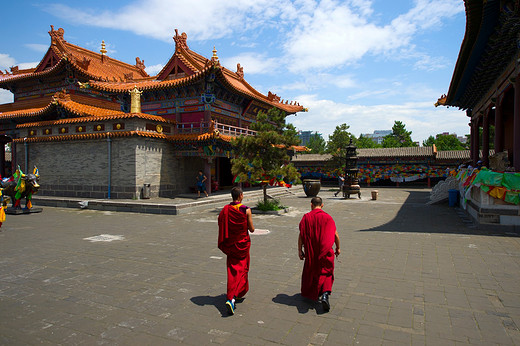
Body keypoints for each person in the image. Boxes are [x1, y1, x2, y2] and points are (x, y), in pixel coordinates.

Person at [298, 196, 340, 312]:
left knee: (312, 271)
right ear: (322, 205)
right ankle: (325, 294)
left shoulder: (306, 218)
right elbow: (335, 234)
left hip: (311, 252)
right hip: (325, 251)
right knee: (326, 272)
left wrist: (299, 250)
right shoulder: (328, 218)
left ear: (311, 205)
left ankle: (313, 293)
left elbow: (301, 235)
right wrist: (338, 248)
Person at [218, 187, 255, 315]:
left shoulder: (225, 210)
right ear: (240, 196)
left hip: (231, 245)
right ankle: (232, 297)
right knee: (242, 269)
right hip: (243, 244)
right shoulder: (246, 210)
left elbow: (221, 224)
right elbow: (252, 229)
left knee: (232, 270)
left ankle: (234, 294)